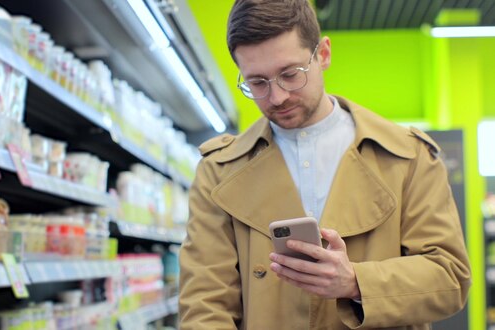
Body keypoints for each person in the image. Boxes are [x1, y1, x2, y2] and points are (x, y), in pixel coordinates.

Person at [178, 0, 471, 329]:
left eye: (290, 75)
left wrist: (356, 282)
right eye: (257, 83)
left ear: (323, 54)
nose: (277, 98)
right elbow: (204, 303)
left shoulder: (408, 156)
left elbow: (450, 278)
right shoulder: (218, 171)